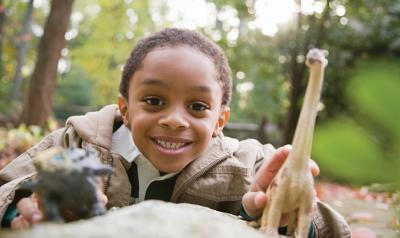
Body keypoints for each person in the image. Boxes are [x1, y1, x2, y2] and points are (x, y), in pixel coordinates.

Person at [0, 28, 350, 237]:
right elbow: (9, 188)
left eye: (197, 107)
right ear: (125, 107)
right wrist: (23, 207)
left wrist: (282, 213)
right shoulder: (76, 141)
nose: (175, 120)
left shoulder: (250, 164)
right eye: (154, 101)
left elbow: (329, 227)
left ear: (220, 120)